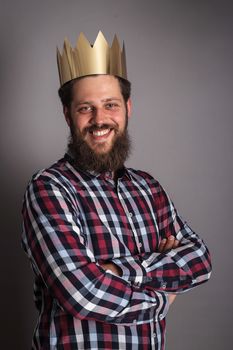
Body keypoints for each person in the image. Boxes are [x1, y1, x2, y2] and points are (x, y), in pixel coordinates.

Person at [22, 31, 211, 350]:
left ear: (127, 108)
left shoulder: (149, 188)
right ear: (68, 115)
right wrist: (161, 296)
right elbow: (84, 294)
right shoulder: (49, 188)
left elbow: (199, 260)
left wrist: (116, 271)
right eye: (85, 108)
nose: (100, 120)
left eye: (110, 105)